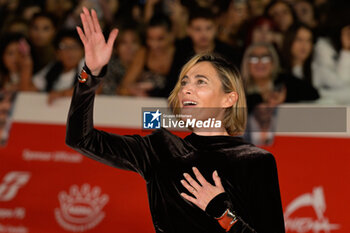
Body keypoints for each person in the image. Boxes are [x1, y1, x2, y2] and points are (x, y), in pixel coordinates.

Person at [66, 7, 285, 233]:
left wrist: (222, 213)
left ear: (228, 99)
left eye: (201, 82)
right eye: (184, 83)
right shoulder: (159, 149)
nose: (187, 89)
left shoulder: (256, 161)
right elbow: (80, 139)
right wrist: (90, 75)